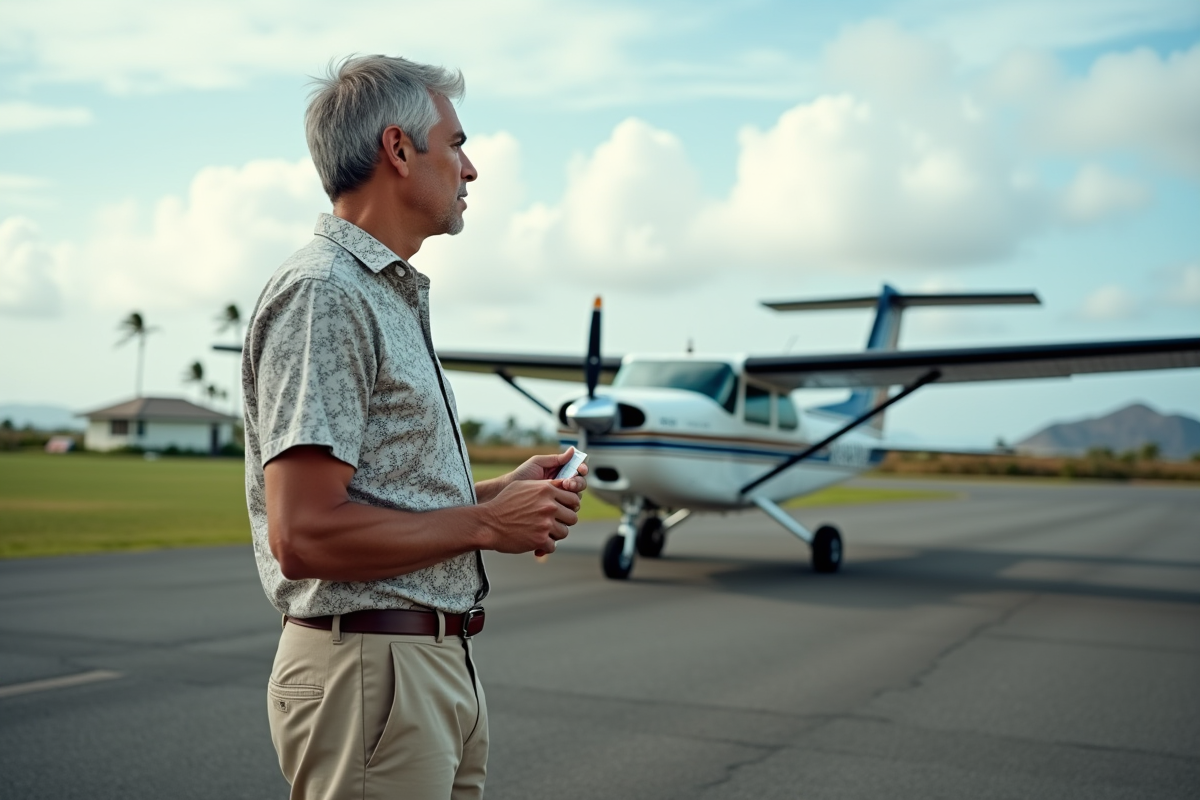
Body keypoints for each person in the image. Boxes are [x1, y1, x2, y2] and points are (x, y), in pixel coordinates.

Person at [241, 55, 588, 800]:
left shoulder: (380, 296)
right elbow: (304, 535)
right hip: (372, 672)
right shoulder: (325, 295)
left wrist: (497, 495)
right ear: (399, 150)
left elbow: (378, 493)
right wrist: (487, 524)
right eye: (456, 143)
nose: (471, 168)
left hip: (421, 669)